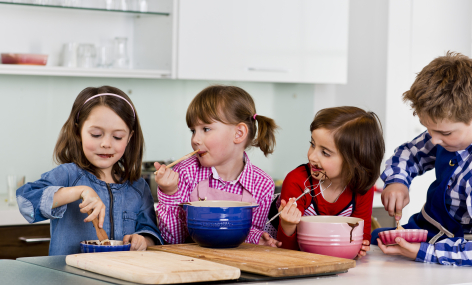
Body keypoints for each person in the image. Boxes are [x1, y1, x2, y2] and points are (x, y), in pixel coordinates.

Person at [373, 52, 472, 267]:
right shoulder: (457, 127)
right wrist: (397, 181)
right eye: (428, 129)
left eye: (444, 134)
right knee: (374, 241)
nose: (434, 140)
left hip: (458, 251)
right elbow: (410, 153)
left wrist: (424, 253)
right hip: (429, 231)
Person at [16, 86, 163, 255]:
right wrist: (79, 192)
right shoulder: (68, 175)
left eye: (117, 137)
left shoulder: (138, 187)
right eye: (96, 134)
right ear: (78, 132)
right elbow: (26, 202)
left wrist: (143, 240)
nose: (106, 144)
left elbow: (151, 232)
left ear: (129, 137)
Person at [155, 85, 280, 247]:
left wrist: (258, 239)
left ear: (239, 133)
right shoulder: (185, 173)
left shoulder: (263, 184)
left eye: (206, 129)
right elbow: (174, 240)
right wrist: (170, 192)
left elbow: (250, 232)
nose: (195, 139)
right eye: (193, 131)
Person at [273, 106, 385, 258]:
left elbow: (361, 238)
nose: (312, 156)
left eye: (325, 153)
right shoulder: (297, 181)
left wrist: (361, 247)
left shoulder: (362, 188)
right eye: (312, 144)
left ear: (355, 162)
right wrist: (288, 224)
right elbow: (285, 251)